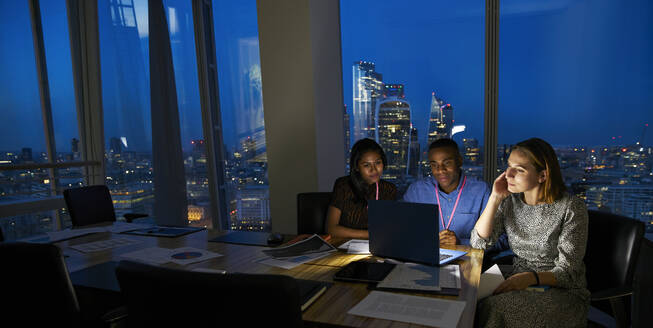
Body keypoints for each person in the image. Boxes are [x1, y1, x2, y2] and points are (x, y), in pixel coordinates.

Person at [470, 138, 589, 328]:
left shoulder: (571, 208)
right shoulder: (511, 202)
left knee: (494, 308)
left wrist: (529, 278)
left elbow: (568, 272)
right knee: (466, 300)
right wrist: (494, 198)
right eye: (508, 166)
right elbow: (478, 243)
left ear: (542, 175)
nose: (508, 174)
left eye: (519, 170)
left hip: (560, 292)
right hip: (517, 279)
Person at [403, 138, 495, 247]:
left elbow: (501, 240)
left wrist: (461, 243)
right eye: (434, 165)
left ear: (459, 161)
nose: (440, 170)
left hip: (468, 261)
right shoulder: (416, 191)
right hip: (426, 260)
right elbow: (403, 231)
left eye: (447, 163)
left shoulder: (481, 191)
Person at [326, 138, 397, 239]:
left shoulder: (389, 189)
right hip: (344, 247)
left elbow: (390, 228)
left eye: (378, 163)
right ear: (356, 167)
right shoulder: (343, 185)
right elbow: (331, 229)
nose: (374, 170)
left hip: (378, 246)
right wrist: (370, 235)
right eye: (366, 165)